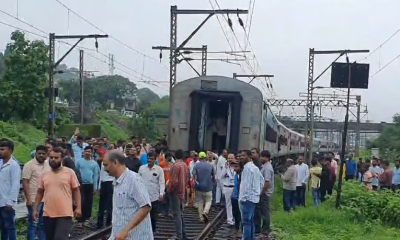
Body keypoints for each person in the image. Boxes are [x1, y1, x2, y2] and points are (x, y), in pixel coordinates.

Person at [102, 150, 153, 240]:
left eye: (106, 165)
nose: (104, 169)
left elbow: (146, 207)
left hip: (137, 237)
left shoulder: (134, 180)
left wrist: (126, 230)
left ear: (115, 162)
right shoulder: (116, 182)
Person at [34, 148, 81, 240]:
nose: (53, 160)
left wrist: (78, 207)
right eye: (51, 157)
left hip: (64, 213)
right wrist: (35, 208)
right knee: (50, 237)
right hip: (47, 213)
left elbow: (76, 190)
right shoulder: (44, 174)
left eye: (56, 157)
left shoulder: (69, 172)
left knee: (60, 238)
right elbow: (40, 192)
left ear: (62, 159)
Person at [22, 145, 50, 240]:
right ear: (35, 153)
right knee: (33, 223)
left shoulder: (48, 164)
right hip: (34, 199)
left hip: (46, 199)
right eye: (39, 153)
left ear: (47, 154)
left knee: (43, 223)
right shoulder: (29, 165)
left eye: (43, 154)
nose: (41, 155)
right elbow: (25, 182)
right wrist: (28, 199)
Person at [239, 150, 264, 240]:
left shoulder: (248, 169)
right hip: (253, 199)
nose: (241, 157)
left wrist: (244, 198)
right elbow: (262, 181)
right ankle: (251, 238)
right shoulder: (254, 168)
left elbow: (247, 185)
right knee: (251, 221)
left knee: (246, 222)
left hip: (247, 199)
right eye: (240, 155)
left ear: (249, 157)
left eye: (243, 155)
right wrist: (257, 193)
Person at [138, 151, 165, 232]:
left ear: (155, 160)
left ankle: (152, 231)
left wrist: (161, 193)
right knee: (142, 215)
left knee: (153, 216)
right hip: (142, 196)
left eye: (151, 159)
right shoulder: (142, 168)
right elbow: (137, 181)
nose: (149, 160)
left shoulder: (159, 169)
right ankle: (142, 231)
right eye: (148, 158)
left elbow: (161, 182)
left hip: (154, 197)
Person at [0, 140, 21, 240]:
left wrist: (10, 201)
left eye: (2, 149)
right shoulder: (0, 163)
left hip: (7, 203)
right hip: (0, 201)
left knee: (10, 227)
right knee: (3, 227)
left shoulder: (14, 165)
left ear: (10, 151)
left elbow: (15, 184)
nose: (0, 151)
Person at [75, 146, 100, 227]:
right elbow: (75, 173)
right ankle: (79, 220)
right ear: (83, 152)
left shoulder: (94, 163)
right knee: (81, 201)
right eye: (86, 151)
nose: (88, 153)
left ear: (92, 153)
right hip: (80, 185)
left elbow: (96, 176)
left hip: (90, 185)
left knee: (89, 202)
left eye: (89, 151)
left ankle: (86, 219)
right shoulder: (79, 162)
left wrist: (95, 188)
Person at [167, 149, 188, 240]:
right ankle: (183, 233)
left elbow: (174, 181)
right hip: (182, 192)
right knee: (180, 213)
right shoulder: (185, 165)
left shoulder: (175, 166)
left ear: (175, 156)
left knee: (176, 214)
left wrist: (169, 189)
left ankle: (179, 235)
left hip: (175, 193)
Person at [193, 151, 215, 223]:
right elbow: (214, 176)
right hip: (208, 186)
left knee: (200, 201)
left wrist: (195, 184)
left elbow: (194, 175)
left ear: (199, 158)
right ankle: (205, 211)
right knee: (209, 200)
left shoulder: (196, 165)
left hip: (199, 187)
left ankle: (201, 218)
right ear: (205, 157)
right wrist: (212, 182)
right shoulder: (210, 165)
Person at [97, 150, 115, 229]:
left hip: (110, 183)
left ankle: (108, 223)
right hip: (104, 183)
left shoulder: (114, 163)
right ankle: (99, 224)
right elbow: (101, 174)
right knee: (101, 205)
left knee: (109, 205)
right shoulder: (103, 163)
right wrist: (99, 186)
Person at [259, 150, 274, 236]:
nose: (261, 158)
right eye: (261, 156)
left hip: (265, 193)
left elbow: (267, 182)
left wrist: (262, 193)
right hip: (265, 192)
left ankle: (266, 228)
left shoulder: (267, 168)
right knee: (264, 210)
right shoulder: (265, 166)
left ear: (267, 158)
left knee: (265, 211)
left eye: (263, 157)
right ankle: (265, 227)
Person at [220, 153, 235, 226]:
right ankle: (229, 220)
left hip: (234, 187)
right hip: (227, 187)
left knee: (235, 204)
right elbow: (221, 176)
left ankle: (235, 218)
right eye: (229, 158)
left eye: (231, 158)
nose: (230, 159)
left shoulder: (236, 166)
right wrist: (225, 168)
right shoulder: (225, 167)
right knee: (228, 204)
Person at [230, 157, 243, 238]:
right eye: (234, 167)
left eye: (236, 167)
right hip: (234, 197)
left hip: (238, 198)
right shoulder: (236, 175)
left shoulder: (241, 176)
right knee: (235, 214)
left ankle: (239, 230)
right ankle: (236, 229)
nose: (234, 168)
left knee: (239, 215)